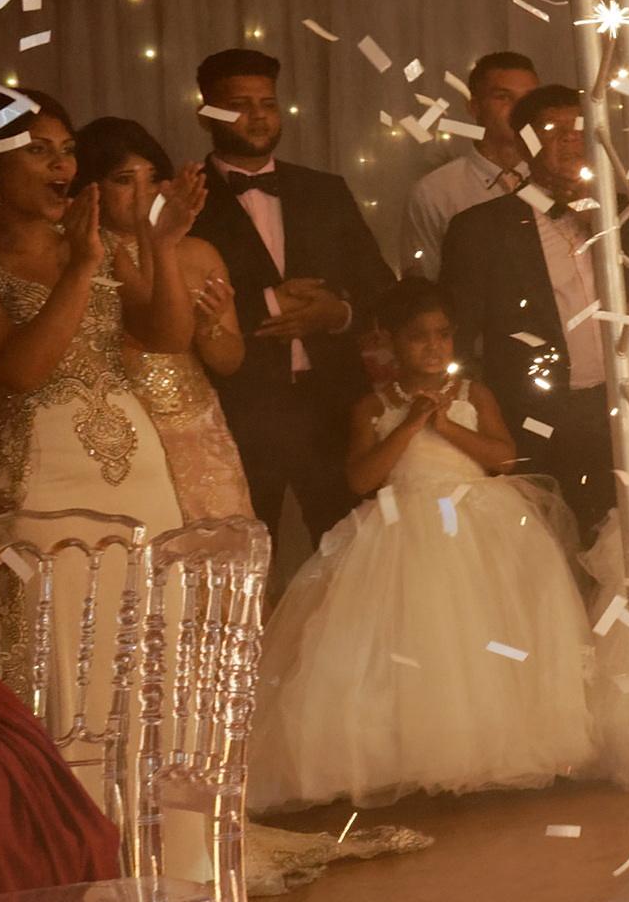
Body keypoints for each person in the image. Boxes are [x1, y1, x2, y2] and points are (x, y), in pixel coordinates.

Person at [244, 279, 596, 811]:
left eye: (442, 334)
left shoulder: (474, 394)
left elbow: (503, 458)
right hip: (403, 523)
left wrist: (446, 427)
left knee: (487, 629)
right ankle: (415, 755)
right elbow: (362, 479)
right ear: (390, 342)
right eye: (418, 337)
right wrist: (409, 424)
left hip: (478, 520)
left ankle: (496, 746)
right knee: (420, 632)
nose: (433, 347)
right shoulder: (373, 406)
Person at [188, 47, 392, 569]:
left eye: (268, 104)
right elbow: (176, 310)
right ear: (206, 114)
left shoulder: (325, 190)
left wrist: (338, 314)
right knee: (242, 564)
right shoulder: (183, 200)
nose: (258, 116)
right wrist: (267, 304)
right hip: (239, 409)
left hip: (333, 404)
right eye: (240, 105)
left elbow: (379, 287)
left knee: (355, 557)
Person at [0, 95, 191, 552]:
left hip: (137, 471)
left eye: (67, 150)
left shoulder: (96, 242)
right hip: (35, 480)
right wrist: (81, 268)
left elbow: (168, 337)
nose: (61, 164)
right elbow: (19, 371)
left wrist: (163, 245)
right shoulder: (85, 250)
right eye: (38, 150)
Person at [437, 83, 617, 537]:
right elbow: (460, 338)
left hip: (622, 408)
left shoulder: (626, 217)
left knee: (623, 541)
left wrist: (603, 218)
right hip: (533, 416)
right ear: (522, 144)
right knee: (549, 543)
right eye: (553, 131)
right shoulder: (481, 229)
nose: (570, 140)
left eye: (578, 129)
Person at [69, 117, 250, 524]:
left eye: (152, 178)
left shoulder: (198, 253)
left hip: (198, 428)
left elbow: (230, 361)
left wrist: (207, 327)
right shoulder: (83, 257)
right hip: (120, 433)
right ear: (91, 186)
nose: (143, 192)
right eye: (124, 180)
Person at [402, 52, 540, 278]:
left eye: (529, 98)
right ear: (473, 106)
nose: (519, 109)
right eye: (503, 97)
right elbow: (423, 284)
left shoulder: (559, 182)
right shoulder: (436, 192)